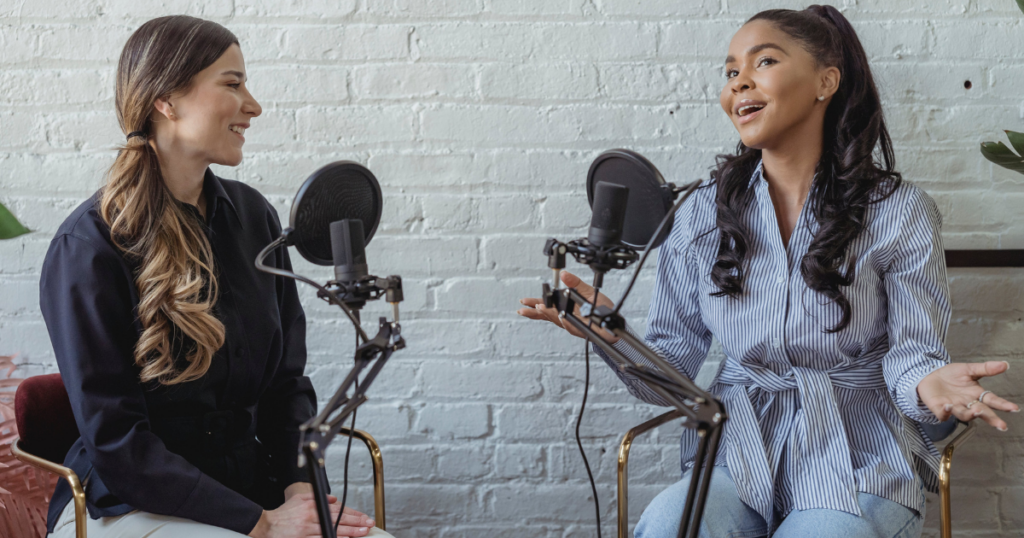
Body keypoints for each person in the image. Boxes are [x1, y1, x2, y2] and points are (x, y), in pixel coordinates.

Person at [518, 5, 1019, 538]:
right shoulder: (698, 212)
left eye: (764, 62)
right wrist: (611, 337)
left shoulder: (900, 210)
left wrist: (927, 381)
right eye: (731, 71)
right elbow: (674, 371)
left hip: (859, 455)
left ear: (826, 81)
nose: (740, 83)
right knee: (667, 525)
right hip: (738, 450)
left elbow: (913, 354)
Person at [39, 16, 389, 538]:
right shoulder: (87, 248)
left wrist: (298, 490)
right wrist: (261, 524)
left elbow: (285, 385)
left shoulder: (256, 219)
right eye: (232, 83)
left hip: (253, 492)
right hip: (125, 507)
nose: (254, 105)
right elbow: (117, 443)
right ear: (167, 99)